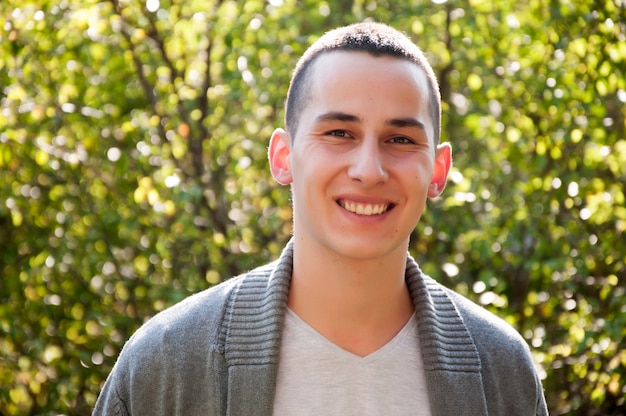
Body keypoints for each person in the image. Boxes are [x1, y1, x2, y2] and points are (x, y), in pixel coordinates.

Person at [93, 22, 548, 415]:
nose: (369, 169)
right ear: (283, 156)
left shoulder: (500, 369)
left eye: (401, 140)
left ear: (439, 169)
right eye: (338, 133)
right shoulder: (167, 362)